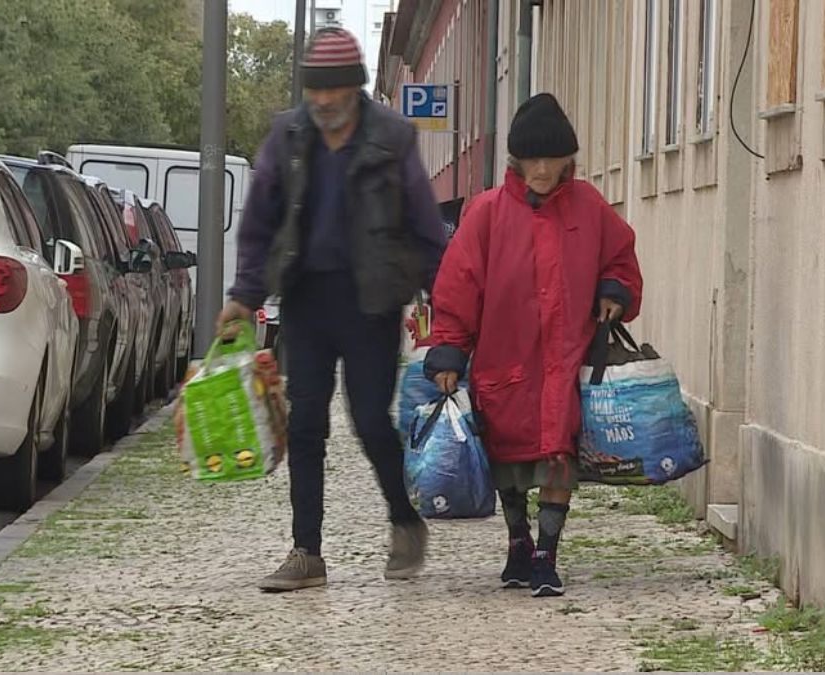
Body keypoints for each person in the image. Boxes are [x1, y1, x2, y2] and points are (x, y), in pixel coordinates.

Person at [217, 28, 447, 592]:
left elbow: (423, 223)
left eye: (333, 93)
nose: (322, 104)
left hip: (371, 300)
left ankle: (403, 518)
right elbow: (260, 221)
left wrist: (446, 300)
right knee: (306, 422)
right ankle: (307, 552)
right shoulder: (288, 134)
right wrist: (245, 297)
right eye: (314, 93)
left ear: (354, 89)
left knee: (370, 418)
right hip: (306, 297)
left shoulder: (392, 136)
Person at [425, 93, 643, 598]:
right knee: (508, 460)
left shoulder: (589, 207)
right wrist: (450, 351)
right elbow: (458, 287)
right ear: (516, 161)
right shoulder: (486, 213)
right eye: (533, 159)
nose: (543, 169)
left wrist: (614, 291)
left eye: (553, 159)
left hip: (564, 360)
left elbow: (620, 257)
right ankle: (518, 541)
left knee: (557, 453)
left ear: (570, 159)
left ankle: (547, 554)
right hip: (506, 356)